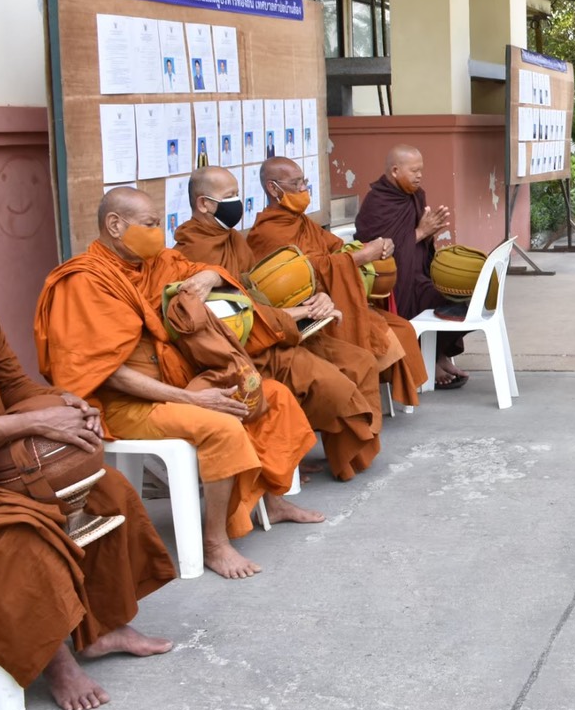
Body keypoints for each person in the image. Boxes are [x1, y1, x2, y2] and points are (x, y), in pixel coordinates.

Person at [34, 188, 323, 580]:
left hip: (181, 383)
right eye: (151, 225)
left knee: (271, 394)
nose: (159, 234)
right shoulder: (85, 282)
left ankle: (272, 499)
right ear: (115, 226)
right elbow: (107, 372)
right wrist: (190, 399)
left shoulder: (156, 263)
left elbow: (202, 270)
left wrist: (205, 277)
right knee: (220, 427)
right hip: (128, 404)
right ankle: (215, 542)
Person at [0, 215, 176, 710]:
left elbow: (13, 385)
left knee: (107, 489)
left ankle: (103, 628)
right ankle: (56, 661)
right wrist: (32, 426)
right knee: (21, 536)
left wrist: (64, 401)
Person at [175, 166, 383, 481]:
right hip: (243, 352)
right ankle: (310, 459)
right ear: (204, 204)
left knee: (359, 361)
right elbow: (229, 315)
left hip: (275, 332)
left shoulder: (234, 239)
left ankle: (326, 454)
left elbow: (258, 291)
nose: (237, 202)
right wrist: (296, 316)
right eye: (230, 196)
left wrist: (314, 302)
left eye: (237, 194)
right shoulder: (190, 251)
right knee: (334, 386)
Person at [248, 157, 428, 404]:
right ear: (273, 188)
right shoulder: (268, 230)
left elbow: (335, 248)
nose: (303, 189)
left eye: (305, 181)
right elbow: (302, 270)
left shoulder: (301, 221)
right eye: (296, 183)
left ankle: (373, 398)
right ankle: (359, 402)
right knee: (379, 337)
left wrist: (373, 246)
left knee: (402, 328)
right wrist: (362, 256)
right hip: (307, 310)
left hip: (332, 296)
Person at [353, 146, 470, 389]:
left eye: (421, 170)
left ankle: (438, 354)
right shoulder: (377, 203)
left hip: (418, 274)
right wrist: (419, 233)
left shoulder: (416, 196)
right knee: (443, 301)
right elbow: (380, 251)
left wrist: (428, 235)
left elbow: (418, 243)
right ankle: (430, 359)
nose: (419, 176)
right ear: (395, 171)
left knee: (464, 297)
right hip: (393, 284)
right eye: (414, 170)